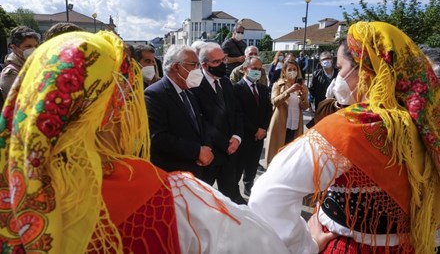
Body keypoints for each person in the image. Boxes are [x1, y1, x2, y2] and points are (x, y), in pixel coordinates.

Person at [0, 31, 290, 253]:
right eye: (127, 95)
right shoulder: (167, 196)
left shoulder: (12, 191)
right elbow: (263, 244)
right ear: (107, 111)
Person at [248, 21, 440, 253]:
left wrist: (302, 244)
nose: (337, 77)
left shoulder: (351, 126)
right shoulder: (429, 123)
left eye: (340, 68)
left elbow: (267, 195)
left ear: (366, 71)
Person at [144, 45, 213, 179]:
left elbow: (200, 125)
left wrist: (207, 148)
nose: (197, 69)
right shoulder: (154, 94)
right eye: (193, 64)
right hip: (171, 175)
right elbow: (158, 137)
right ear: (176, 67)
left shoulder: (189, 92)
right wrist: (196, 151)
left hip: (194, 171)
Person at [191, 42, 246, 204]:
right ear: (204, 65)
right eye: (216, 62)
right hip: (209, 154)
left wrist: (237, 137)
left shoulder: (226, 82)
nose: (222, 64)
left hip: (230, 152)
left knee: (231, 197)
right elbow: (201, 121)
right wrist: (225, 144)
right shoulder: (194, 86)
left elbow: (237, 112)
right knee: (201, 200)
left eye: (223, 60)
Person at [233, 56, 272, 196]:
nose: (257, 72)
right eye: (254, 69)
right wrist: (254, 130)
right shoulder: (236, 89)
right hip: (244, 135)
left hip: (259, 136)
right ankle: (234, 191)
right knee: (239, 165)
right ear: (245, 69)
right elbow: (239, 114)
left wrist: (263, 128)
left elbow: (269, 110)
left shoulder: (263, 89)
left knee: (253, 164)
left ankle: (249, 186)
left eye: (259, 69)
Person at [265, 59, 309, 167]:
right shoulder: (278, 85)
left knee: (290, 154)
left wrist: (303, 96)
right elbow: (274, 101)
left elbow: (305, 106)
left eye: (294, 69)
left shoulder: (302, 87)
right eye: (289, 69)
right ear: (284, 71)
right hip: (281, 123)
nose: (292, 72)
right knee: (278, 154)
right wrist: (288, 92)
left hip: (295, 125)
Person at [0, 26, 40, 102]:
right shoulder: (10, 74)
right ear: (14, 48)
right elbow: (19, 103)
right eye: (28, 46)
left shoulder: (36, 66)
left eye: (36, 46)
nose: (33, 50)